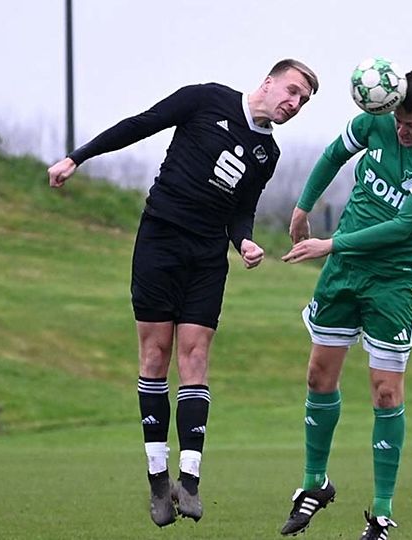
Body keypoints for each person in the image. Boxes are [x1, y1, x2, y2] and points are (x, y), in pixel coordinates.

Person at [46, 59, 318, 527]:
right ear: (268, 82)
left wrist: (245, 241)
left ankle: (188, 480)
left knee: (195, 357)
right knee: (155, 355)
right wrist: (79, 156)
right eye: (291, 91)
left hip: (208, 257)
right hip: (161, 240)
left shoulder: (267, 155)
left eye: (303, 101)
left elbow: (241, 210)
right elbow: (142, 124)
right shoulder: (206, 98)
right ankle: (157, 479)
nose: (293, 104)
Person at [278, 69, 412, 539]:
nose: (402, 131)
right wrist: (303, 207)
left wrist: (331, 243)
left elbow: (403, 227)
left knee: (385, 391)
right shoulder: (376, 119)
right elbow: (333, 155)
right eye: (398, 121)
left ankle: (381, 513)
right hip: (343, 274)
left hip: (393, 281)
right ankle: (313, 484)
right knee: (319, 376)